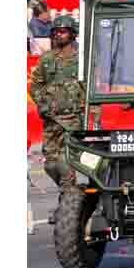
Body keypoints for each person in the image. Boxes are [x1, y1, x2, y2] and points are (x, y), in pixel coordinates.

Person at [29, 15, 86, 190]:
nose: (58, 35)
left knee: (65, 161)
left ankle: (69, 194)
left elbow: (89, 86)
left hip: (73, 119)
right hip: (52, 119)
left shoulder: (81, 59)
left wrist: (89, 111)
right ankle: (67, 191)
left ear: (72, 34)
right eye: (56, 32)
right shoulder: (46, 59)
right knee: (50, 164)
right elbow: (36, 85)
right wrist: (42, 103)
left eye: (63, 31)